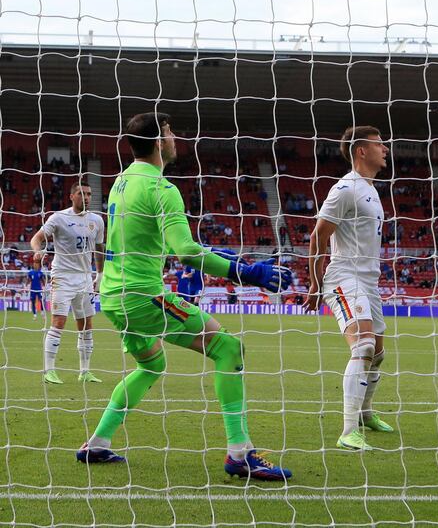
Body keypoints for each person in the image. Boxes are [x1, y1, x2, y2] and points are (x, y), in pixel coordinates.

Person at [76, 112, 293, 482]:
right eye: (171, 131)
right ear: (159, 142)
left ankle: (97, 443)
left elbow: (168, 243)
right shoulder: (161, 188)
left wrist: (226, 258)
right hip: (142, 296)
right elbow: (187, 252)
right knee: (228, 348)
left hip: (112, 295)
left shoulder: (120, 182)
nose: (176, 137)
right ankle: (239, 453)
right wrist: (249, 273)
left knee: (151, 366)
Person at [303, 125, 395, 451]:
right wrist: (315, 283)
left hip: (369, 281)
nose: (385, 149)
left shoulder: (371, 189)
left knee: (379, 353)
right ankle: (347, 431)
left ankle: (366, 413)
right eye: (379, 144)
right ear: (361, 151)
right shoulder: (345, 189)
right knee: (365, 346)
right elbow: (318, 235)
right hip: (345, 277)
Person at [30, 181, 105, 384]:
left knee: (87, 325)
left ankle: (85, 371)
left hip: (85, 278)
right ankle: (49, 370)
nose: (86, 197)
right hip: (62, 276)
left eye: (89, 193)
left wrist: (100, 273)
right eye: (81, 193)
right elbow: (36, 239)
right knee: (59, 322)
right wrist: (38, 250)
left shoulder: (97, 220)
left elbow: (99, 249)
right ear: (71, 196)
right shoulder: (59, 217)